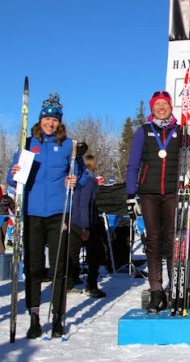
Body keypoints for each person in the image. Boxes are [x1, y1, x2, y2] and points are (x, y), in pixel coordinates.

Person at [7, 93, 82, 339]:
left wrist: (74, 179)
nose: (50, 123)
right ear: (40, 120)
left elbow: (78, 176)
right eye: (46, 118)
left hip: (58, 212)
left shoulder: (69, 146)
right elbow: (11, 179)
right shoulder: (27, 144)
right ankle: (34, 316)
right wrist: (14, 173)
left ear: (60, 122)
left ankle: (58, 315)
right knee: (34, 267)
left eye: (55, 119)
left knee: (59, 265)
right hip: (32, 212)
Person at [126, 90, 190, 313]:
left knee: (173, 243)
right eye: (157, 104)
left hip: (173, 193)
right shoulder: (143, 131)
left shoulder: (181, 131)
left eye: (165, 104)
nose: (161, 108)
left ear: (171, 107)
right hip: (149, 193)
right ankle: (156, 292)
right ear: (152, 108)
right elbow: (132, 164)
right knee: (153, 242)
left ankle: (175, 289)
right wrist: (131, 195)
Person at [68, 154, 107, 298]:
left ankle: (71, 281)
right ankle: (91, 284)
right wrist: (86, 226)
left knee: (73, 252)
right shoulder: (89, 181)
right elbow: (84, 204)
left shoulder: (80, 180)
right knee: (95, 253)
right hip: (83, 221)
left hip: (76, 219)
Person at [0, 184, 15, 254]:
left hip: (5, 219)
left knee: (2, 236)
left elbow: (13, 207)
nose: (5, 190)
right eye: (3, 189)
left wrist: (16, 213)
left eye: (5, 189)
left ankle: (2, 253)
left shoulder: (8, 198)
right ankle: (2, 252)